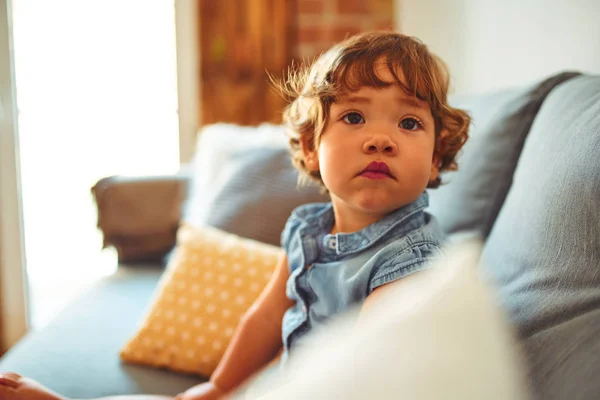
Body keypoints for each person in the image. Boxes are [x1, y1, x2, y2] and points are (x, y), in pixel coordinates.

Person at [0, 31, 469, 400]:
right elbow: (265, 318)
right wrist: (222, 386)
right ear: (310, 147)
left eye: (409, 123)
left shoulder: (413, 256)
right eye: (354, 117)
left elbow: (363, 368)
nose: (380, 139)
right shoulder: (308, 229)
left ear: (433, 158)